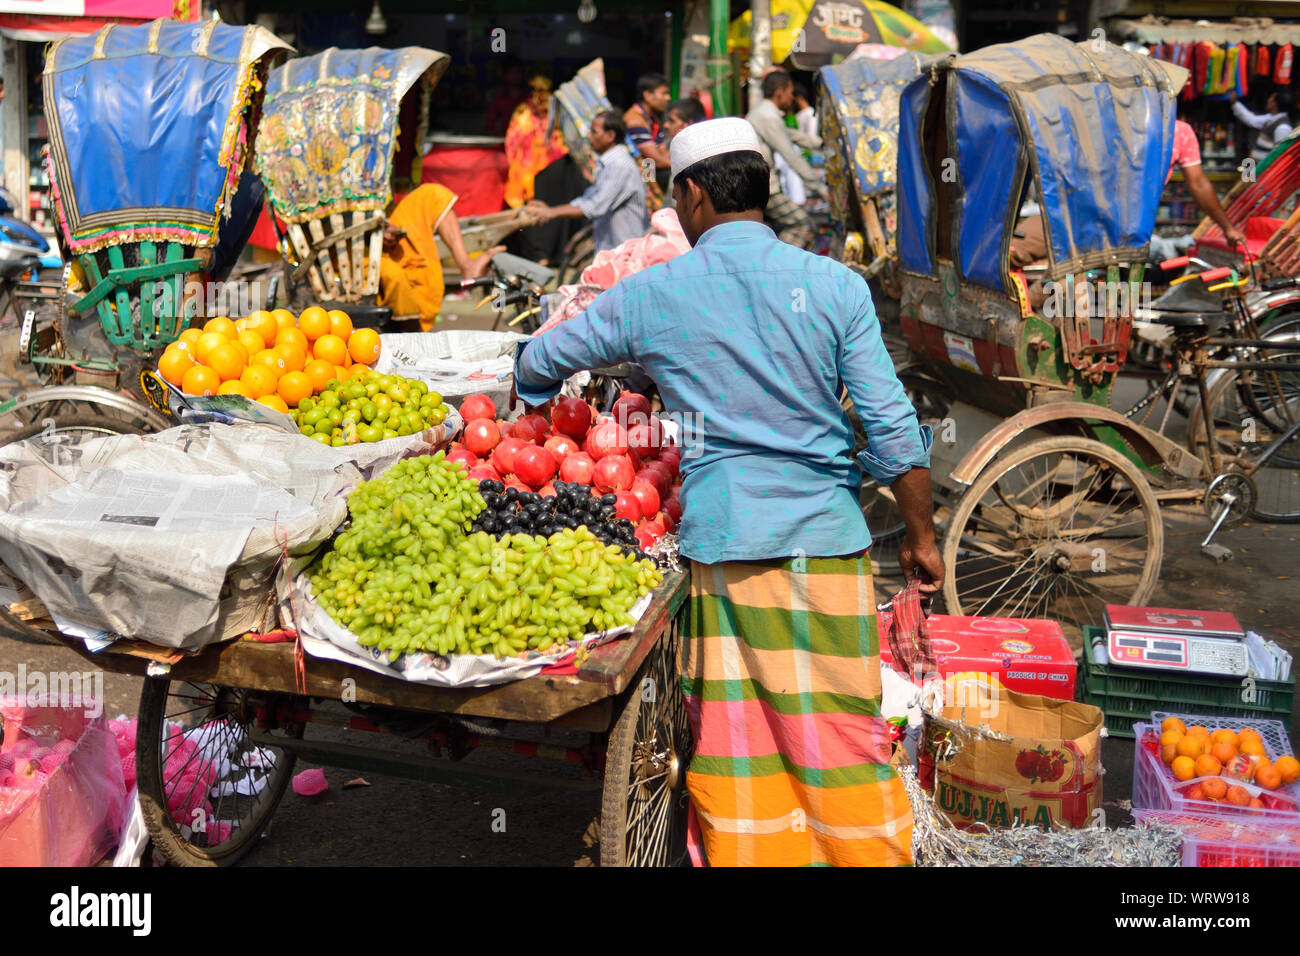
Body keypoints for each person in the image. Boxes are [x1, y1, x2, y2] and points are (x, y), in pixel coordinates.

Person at [513, 118, 941, 867]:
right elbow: (895, 435)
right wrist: (921, 538)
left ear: (693, 195)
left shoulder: (655, 293)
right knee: (839, 738)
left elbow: (542, 359)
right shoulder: (835, 285)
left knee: (738, 746)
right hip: (828, 551)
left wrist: (533, 391)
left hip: (726, 548)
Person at [378, 182, 503, 330]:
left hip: (381, 220)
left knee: (434, 194)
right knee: (395, 276)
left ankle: (466, 266)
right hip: (353, 246)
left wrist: (383, 225)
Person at [525, 110, 649, 253]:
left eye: (594, 132)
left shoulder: (619, 165)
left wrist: (552, 212)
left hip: (625, 251)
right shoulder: (607, 164)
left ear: (610, 136)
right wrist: (547, 209)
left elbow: (594, 206)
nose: (588, 136)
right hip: (612, 249)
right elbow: (587, 199)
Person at [746, 70, 824, 248]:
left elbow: (790, 135)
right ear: (779, 92)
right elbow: (791, 155)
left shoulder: (763, 112)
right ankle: (777, 264)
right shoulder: (768, 116)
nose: (792, 98)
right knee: (803, 225)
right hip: (766, 188)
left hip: (759, 185)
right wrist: (820, 188)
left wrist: (821, 143)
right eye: (790, 93)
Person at [1168, 117, 1246, 248]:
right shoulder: (1178, 130)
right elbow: (1198, 184)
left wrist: (1228, 228)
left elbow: (1198, 184)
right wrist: (1228, 228)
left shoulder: (1179, 131)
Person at [503, 74, 567, 209]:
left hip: (552, 169)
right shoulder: (523, 111)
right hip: (527, 169)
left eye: (543, 91)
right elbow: (512, 142)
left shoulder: (558, 114)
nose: (540, 97)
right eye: (537, 91)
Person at [624, 72, 672, 172]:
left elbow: (662, 153)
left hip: (648, 176)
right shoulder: (635, 121)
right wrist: (683, 166)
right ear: (647, 96)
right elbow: (656, 161)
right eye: (664, 93)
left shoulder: (653, 119)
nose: (668, 98)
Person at [1231, 89, 1295, 162]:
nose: (1268, 100)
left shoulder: (1283, 128)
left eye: (1271, 98)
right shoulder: (1271, 119)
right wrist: (1234, 103)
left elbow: (1279, 156)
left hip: (1268, 171)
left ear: (1275, 104)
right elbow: (1251, 120)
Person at [484, 60, 527, 137]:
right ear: (505, 75)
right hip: (503, 142)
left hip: (527, 142)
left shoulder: (529, 99)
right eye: (511, 73)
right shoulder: (498, 100)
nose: (515, 76)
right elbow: (489, 128)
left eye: (517, 72)